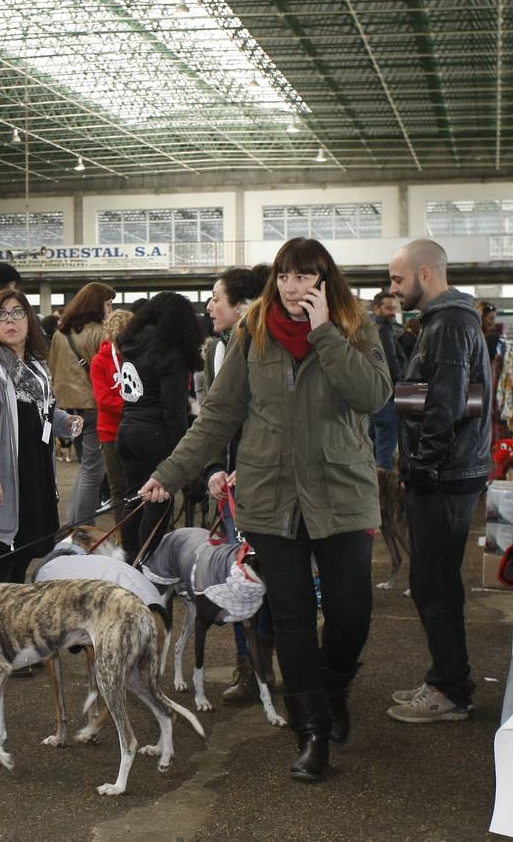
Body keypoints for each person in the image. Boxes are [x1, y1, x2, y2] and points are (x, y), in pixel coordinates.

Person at [138, 237, 392, 782]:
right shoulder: (253, 332)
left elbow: (373, 395)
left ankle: (332, 686)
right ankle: (312, 732)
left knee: (351, 612)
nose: (292, 287)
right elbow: (219, 416)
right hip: (270, 498)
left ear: (326, 281)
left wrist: (324, 332)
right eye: (285, 276)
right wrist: (169, 472)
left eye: (304, 277)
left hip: (341, 495)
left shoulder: (354, 325)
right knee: (293, 618)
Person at [386, 238, 492, 725]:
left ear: (425, 274)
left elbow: (445, 405)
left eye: (398, 280)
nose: (393, 289)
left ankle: (450, 688)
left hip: (445, 473)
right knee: (432, 580)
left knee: (436, 583)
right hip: (449, 468)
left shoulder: (449, 324)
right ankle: (444, 678)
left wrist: (422, 467)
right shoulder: (446, 321)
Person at [0, 288, 82, 586]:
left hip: (36, 474)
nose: (11, 321)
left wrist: (64, 421)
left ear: (29, 320)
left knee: (22, 555)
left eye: (18, 312)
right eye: (2, 315)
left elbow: (43, 410)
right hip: (3, 477)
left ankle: (10, 625)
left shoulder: (38, 365)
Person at [203, 264, 275, 703]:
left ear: (242, 305)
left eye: (216, 297)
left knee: (279, 579)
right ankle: (249, 669)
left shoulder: (272, 346)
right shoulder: (216, 349)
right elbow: (214, 417)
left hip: (272, 480)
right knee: (240, 575)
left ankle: (276, 666)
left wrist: (252, 465)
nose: (209, 306)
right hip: (234, 488)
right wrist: (213, 468)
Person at [115, 292, 204, 562]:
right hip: (156, 434)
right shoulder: (170, 353)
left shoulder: (131, 345)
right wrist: (180, 454)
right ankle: (147, 563)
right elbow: (174, 410)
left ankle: (130, 557)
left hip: (127, 430)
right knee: (157, 501)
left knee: (133, 496)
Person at [47, 282, 116, 525]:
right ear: (97, 305)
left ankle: (72, 522)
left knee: (85, 469)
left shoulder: (60, 333)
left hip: (67, 410)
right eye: (108, 304)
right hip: (94, 408)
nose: (111, 309)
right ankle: (83, 526)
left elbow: (52, 370)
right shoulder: (100, 333)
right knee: (93, 471)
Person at [90, 308, 134, 523]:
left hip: (135, 429)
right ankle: (124, 533)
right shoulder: (100, 361)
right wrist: (134, 407)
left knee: (138, 483)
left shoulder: (137, 355)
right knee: (118, 488)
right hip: (111, 432)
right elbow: (104, 399)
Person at [369, 291, 405, 471]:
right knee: (386, 453)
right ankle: (385, 495)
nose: (392, 312)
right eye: (388, 308)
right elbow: (391, 362)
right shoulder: (383, 329)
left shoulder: (369, 326)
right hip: (389, 397)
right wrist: (403, 386)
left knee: (374, 447)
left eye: (394, 308)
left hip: (374, 396)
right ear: (376, 308)